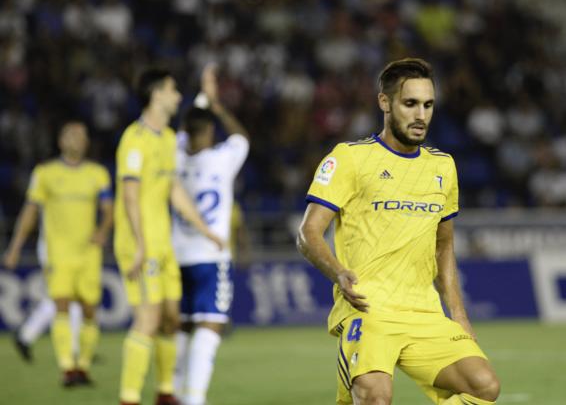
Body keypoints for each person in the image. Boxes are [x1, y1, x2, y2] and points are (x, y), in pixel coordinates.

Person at [297, 58, 501, 405]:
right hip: (368, 309)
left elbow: (444, 245)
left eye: (428, 105)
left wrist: (459, 314)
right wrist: (339, 274)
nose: (421, 115)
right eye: (410, 104)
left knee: (484, 386)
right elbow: (308, 233)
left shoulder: (442, 166)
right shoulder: (350, 158)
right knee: (375, 397)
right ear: (385, 103)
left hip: (424, 312)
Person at [114, 68, 224, 405]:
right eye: (173, 90)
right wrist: (139, 246)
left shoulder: (165, 139)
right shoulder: (135, 139)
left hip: (163, 244)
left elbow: (174, 190)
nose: (178, 96)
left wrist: (207, 232)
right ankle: (129, 397)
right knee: (147, 319)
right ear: (157, 94)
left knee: (171, 320)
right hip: (140, 243)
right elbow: (130, 195)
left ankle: (165, 393)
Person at [3, 120, 113, 386]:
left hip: (88, 252)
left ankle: (83, 366)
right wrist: (15, 247)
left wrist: (103, 230)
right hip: (58, 251)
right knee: (61, 304)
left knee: (89, 310)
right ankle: (68, 368)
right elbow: (30, 212)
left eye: (81, 135)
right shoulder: (45, 173)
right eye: (71, 134)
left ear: (87, 142)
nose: (76, 138)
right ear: (61, 141)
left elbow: (110, 209)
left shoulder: (98, 173)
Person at [172, 65, 249, 405]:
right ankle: (194, 398)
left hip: (177, 253)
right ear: (208, 133)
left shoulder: (172, 157)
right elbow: (241, 138)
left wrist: (203, 99)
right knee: (211, 325)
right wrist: (216, 105)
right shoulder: (221, 159)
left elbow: (182, 130)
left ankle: (171, 391)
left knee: (184, 326)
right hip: (211, 254)